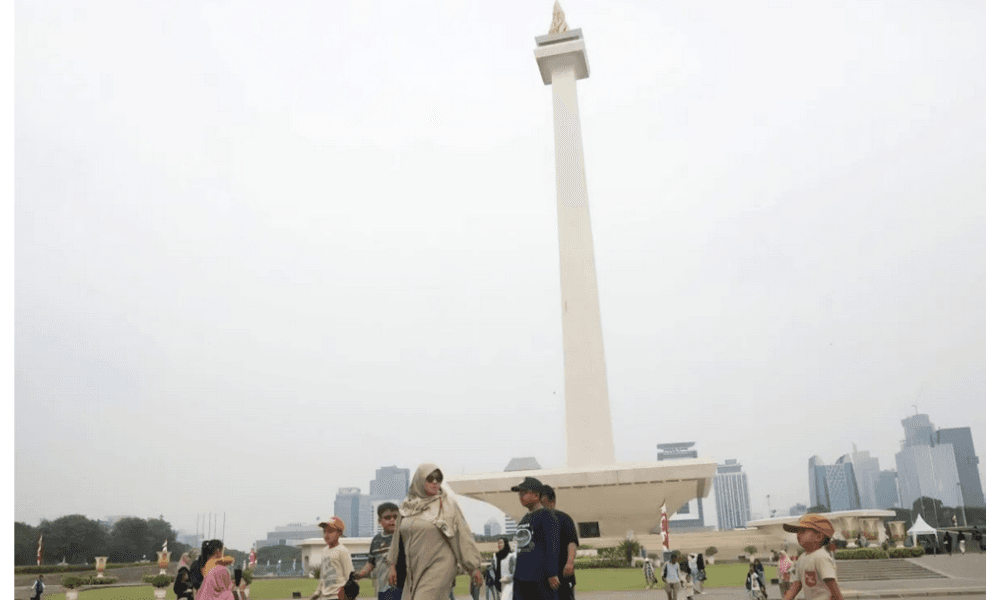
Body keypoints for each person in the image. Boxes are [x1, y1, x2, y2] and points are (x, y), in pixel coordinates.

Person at [388, 464, 484, 600]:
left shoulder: (447, 505)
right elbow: (396, 538)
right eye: (430, 478)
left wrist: (473, 567)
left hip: (440, 564)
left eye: (438, 479)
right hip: (414, 567)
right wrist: (392, 565)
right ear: (419, 480)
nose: (435, 482)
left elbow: (462, 535)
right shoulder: (407, 506)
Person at [509, 477, 560, 600]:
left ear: (537, 495)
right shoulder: (525, 519)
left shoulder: (546, 516)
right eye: (519, 494)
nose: (521, 497)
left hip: (540, 578)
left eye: (524, 493)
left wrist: (552, 573)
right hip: (521, 577)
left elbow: (552, 545)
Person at [781, 514, 844, 600]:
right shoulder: (802, 558)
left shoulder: (821, 557)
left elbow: (831, 583)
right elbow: (797, 584)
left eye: (802, 531)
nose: (798, 535)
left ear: (818, 537)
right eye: (798, 531)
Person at [355, 503, 402, 600]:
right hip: (383, 589)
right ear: (380, 521)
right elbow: (371, 563)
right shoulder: (376, 540)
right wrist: (360, 574)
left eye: (395, 517)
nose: (393, 520)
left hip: (401, 587)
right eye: (388, 517)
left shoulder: (404, 537)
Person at [540, 485, 579, 600]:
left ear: (545, 499)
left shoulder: (564, 519)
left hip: (562, 574)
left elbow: (571, 542)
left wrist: (570, 562)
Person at [309, 516, 353, 600]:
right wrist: (317, 592)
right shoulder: (324, 551)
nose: (326, 535)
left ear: (339, 533)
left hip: (337, 596)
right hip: (325, 596)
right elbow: (323, 576)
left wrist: (348, 595)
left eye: (330, 531)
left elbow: (349, 576)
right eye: (324, 531)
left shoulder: (342, 551)